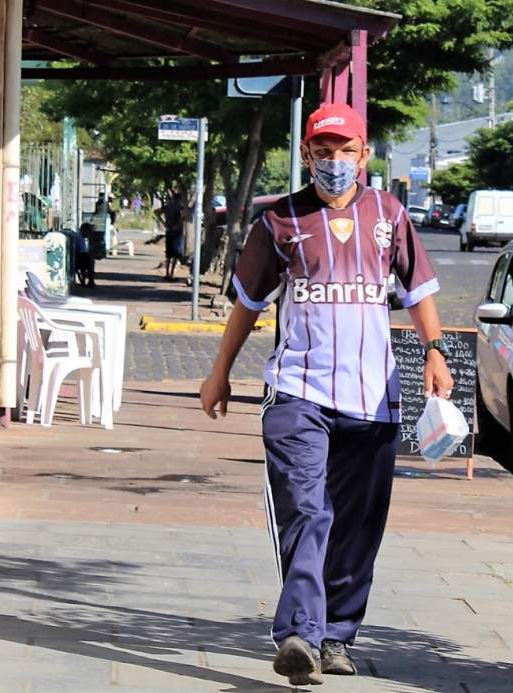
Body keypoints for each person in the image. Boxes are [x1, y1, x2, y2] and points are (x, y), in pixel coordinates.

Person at [199, 103, 453, 687]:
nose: (334, 162)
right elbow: (248, 302)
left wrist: (435, 352)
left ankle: (337, 634)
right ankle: (299, 635)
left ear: (365, 155)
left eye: (346, 151)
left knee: (359, 524)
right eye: (323, 151)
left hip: (374, 399)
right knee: (307, 511)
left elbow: (418, 291)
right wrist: (220, 372)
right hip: (297, 393)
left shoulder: (390, 215)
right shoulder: (279, 221)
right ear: (306, 154)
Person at [162, 191, 184, 281]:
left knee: (168, 254)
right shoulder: (179, 207)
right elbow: (183, 217)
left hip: (168, 230)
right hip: (177, 232)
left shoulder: (168, 207)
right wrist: (178, 225)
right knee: (176, 254)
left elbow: (157, 212)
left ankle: (167, 273)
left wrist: (163, 222)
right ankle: (172, 273)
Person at [74, 222, 97, 288]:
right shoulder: (78, 237)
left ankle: (89, 281)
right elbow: (81, 251)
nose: (89, 234)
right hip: (78, 258)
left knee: (90, 259)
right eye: (88, 231)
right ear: (84, 230)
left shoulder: (83, 238)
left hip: (80, 257)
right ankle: (90, 281)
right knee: (89, 259)